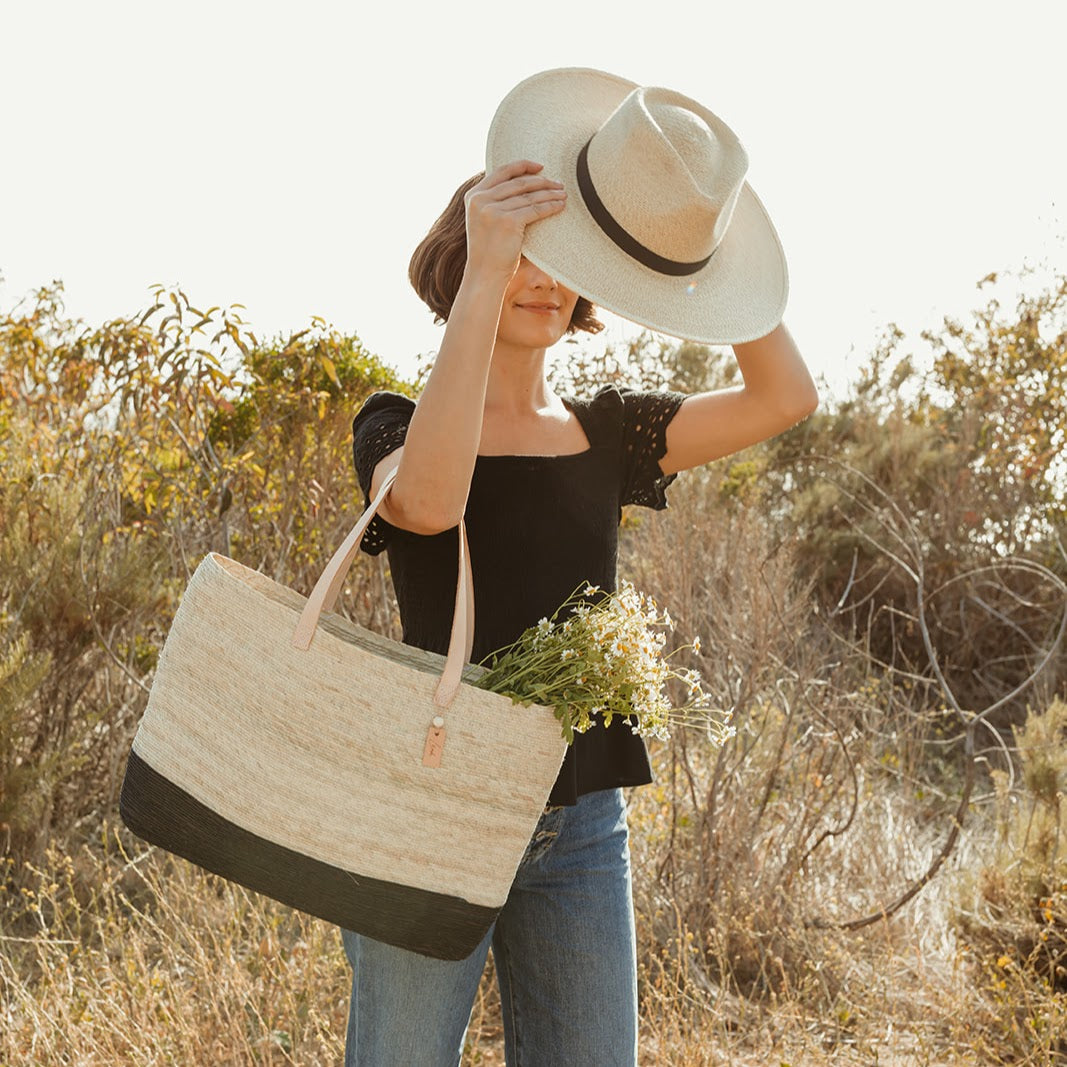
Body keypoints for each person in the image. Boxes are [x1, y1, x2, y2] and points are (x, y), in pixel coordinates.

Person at [341, 68, 819, 1067]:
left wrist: (702, 252)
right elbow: (427, 503)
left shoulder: (609, 433)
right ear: (463, 257)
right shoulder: (394, 422)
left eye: (564, 259)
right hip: (429, 808)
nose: (540, 275)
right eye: (522, 252)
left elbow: (781, 395)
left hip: (581, 823)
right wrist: (487, 268)